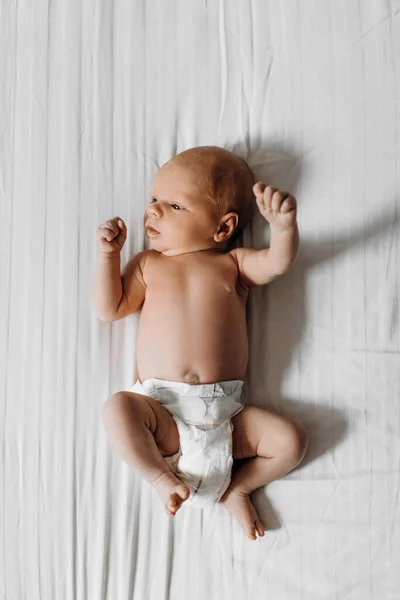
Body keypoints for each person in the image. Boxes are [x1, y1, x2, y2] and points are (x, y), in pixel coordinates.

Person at [93, 146, 308, 541]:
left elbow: (276, 263)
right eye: (153, 199)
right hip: (163, 413)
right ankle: (159, 478)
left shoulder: (234, 264)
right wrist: (110, 256)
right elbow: (111, 308)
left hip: (229, 419)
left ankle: (238, 488)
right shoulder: (148, 264)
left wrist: (283, 229)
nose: (153, 211)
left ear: (223, 228)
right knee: (118, 408)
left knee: (292, 441)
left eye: (174, 205)